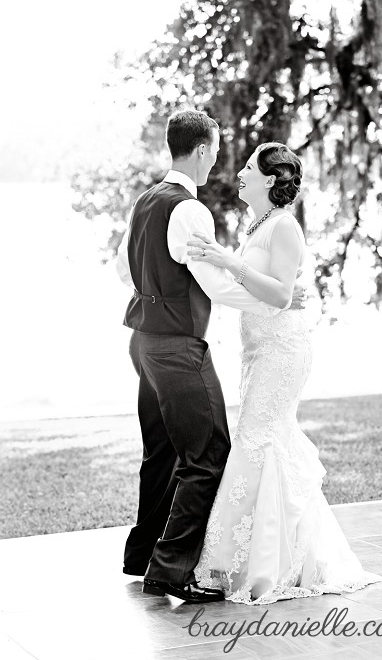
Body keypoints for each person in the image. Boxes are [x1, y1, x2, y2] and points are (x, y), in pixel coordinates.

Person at [116, 109, 307, 603]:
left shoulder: (145, 201)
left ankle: (141, 555)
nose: (221, 162)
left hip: (143, 340)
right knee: (208, 456)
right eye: (218, 152)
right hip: (178, 345)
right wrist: (272, 299)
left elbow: (124, 269)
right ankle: (169, 568)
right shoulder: (190, 209)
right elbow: (216, 286)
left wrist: (155, 288)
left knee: (160, 452)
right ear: (201, 150)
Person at [185, 143, 381, 604]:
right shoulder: (257, 226)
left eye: (250, 169)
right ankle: (289, 556)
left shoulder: (285, 226)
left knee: (258, 442)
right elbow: (268, 288)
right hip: (258, 350)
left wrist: (227, 261)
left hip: (281, 350)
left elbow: (278, 294)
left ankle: (240, 568)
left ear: (271, 181)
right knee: (270, 442)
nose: (241, 174)